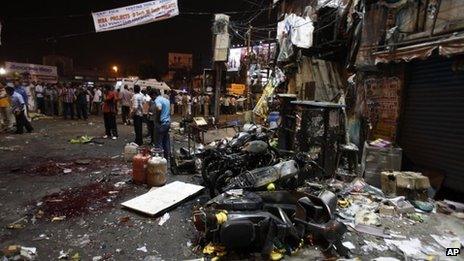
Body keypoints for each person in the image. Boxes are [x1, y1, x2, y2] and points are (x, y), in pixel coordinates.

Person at [153, 89, 171, 159]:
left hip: (161, 124)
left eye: (152, 96)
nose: (152, 98)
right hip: (167, 123)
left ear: (154, 95)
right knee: (165, 141)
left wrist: (157, 119)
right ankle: (166, 158)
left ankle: (159, 160)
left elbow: (159, 108)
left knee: (158, 142)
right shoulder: (166, 100)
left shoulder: (157, 100)